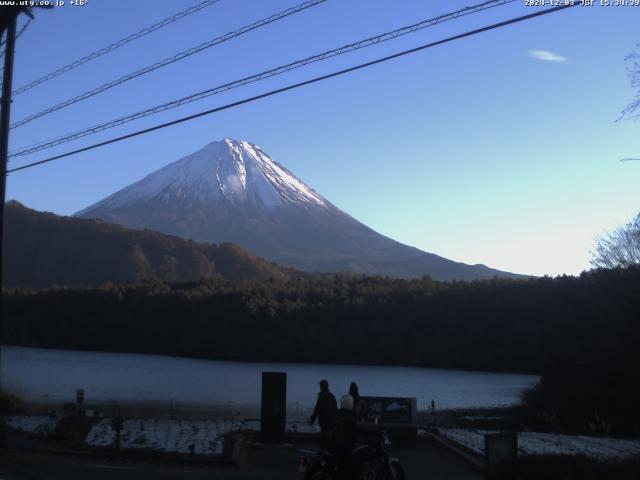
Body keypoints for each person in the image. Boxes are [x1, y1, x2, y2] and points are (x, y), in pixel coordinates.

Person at [309, 379, 337, 448]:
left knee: (323, 435)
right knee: (328, 436)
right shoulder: (332, 396)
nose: (320, 387)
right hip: (331, 421)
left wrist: (312, 420)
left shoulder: (321, 397)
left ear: (322, 386)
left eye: (321, 386)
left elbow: (317, 409)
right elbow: (335, 409)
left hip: (324, 421)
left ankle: (323, 451)